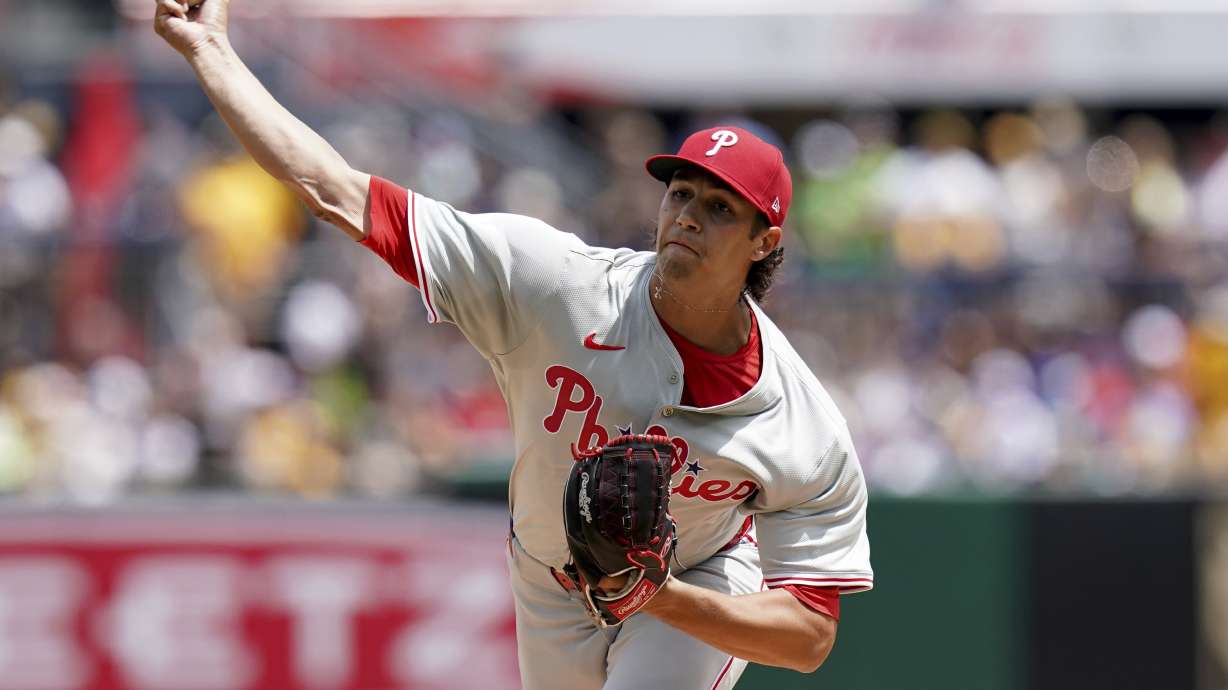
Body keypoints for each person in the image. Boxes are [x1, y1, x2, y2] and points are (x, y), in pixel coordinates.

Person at [153, 2, 873, 688]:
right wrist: (210, 51)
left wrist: (660, 595)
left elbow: (809, 636)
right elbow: (337, 191)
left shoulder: (800, 425)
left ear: (763, 242)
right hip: (549, 578)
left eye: (719, 208)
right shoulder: (554, 284)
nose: (687, 216)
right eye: (680, 193)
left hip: (700, 577)